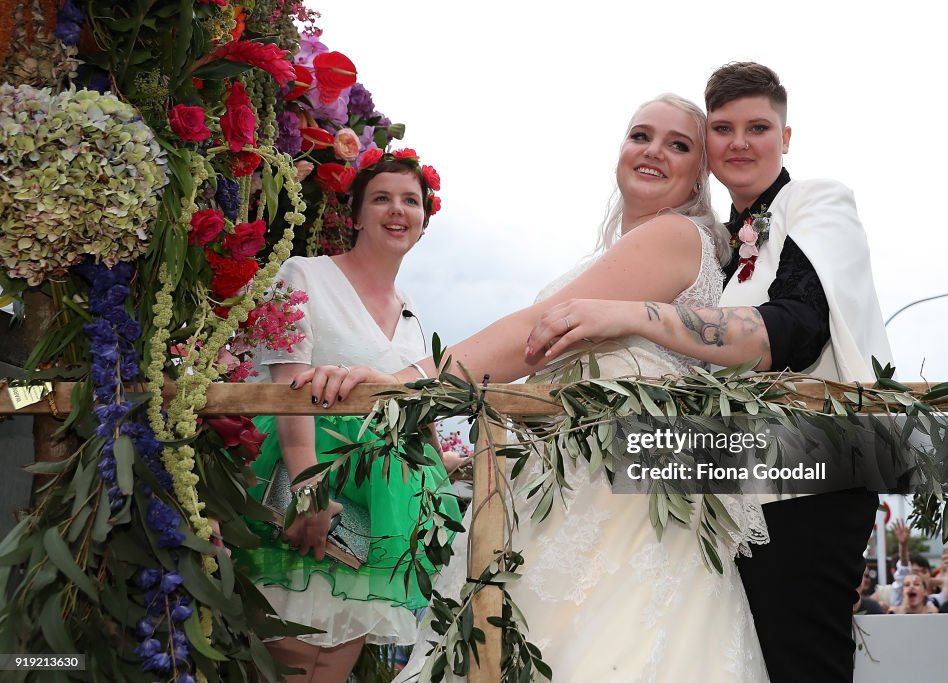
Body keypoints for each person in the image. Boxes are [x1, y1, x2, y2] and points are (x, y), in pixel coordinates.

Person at [296, 94, 772, 682]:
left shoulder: (674, 235)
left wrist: (405, 386)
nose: (652, 151)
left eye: (678, 145)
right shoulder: (624, 251)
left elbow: (531, 336)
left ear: (701, 173)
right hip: (589, 484)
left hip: (618, 499)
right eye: (640, 135)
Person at [523, 62, 892, 683]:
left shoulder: (818, 201)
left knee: (803, 662)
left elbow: (795, 331)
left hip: (811, 476)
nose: (740, 142)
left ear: (786, 136)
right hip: (727, 483)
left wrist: (636, 313)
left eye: (759, 127)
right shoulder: (716, 245)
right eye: (723, 128)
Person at [232, 151, 463, 682]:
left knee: (335, 659)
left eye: (410, 201)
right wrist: (310, 495)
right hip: (304, 475)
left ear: (424, 221)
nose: (397, 210)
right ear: (355, 214)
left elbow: (418, 397)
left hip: (376, 501)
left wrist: (438, 459)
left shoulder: (412, 313)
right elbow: (286, 385)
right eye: (381, 198)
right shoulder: (303, 273)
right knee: (292, 651)